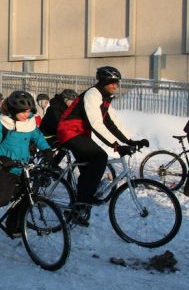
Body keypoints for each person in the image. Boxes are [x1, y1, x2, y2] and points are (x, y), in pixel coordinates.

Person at [56, 66, 149, 226]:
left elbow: (113, 123)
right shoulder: (93, 94)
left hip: (80, 133)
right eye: (112, 82)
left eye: (117, 83)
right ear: (103, 82)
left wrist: (131, 141)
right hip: (68, 131)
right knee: (100, 157)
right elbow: (96, 124)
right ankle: (84, 200)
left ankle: (78, 210)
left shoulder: (105, 99)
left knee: (88, 171)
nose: (115, 86)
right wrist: (116, 146)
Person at [0, 91, 52, 236]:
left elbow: (37, 136)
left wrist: (46, 149)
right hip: (3, 167)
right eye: (22, 112)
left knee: (26, 196)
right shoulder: (2, 124)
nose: (26, 115)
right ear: (13, 111)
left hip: (21, 167)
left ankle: (14, 225)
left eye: (28, 111)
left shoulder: (29, 122)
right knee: (1, 197)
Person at [39, 88, 78, 166]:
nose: (74, 104)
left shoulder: (66, 109)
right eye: (72, 101)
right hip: (47, 135)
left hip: (56, 134)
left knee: (68, 145)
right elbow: (58, 123)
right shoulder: (54, 109)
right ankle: (51, 164)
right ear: (65, 100)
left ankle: (53, 164)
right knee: (67, 144)